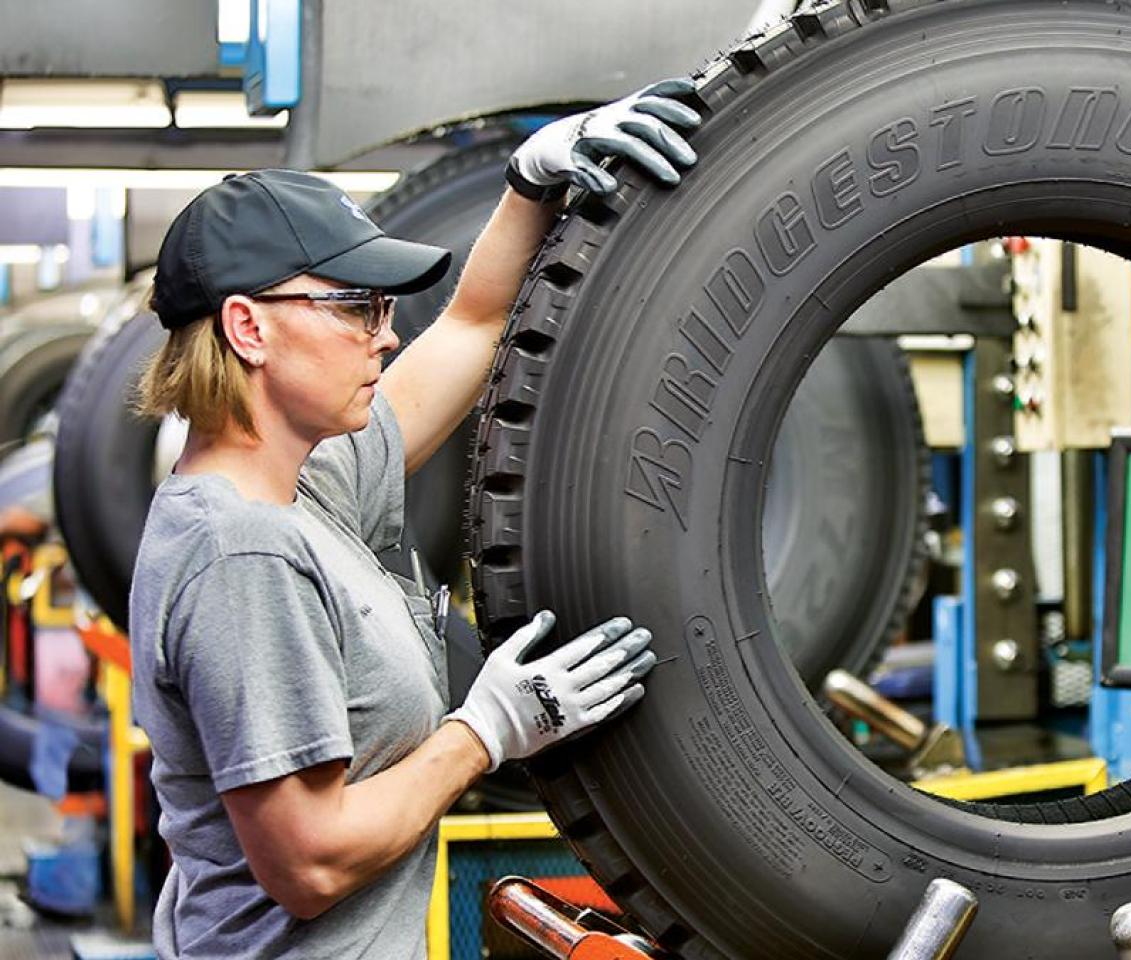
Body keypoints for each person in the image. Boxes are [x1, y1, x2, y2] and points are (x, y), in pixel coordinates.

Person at [125, 79, 703, 959]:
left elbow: (470, 325)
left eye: (384, 310)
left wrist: (529, 183)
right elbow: (308, 864)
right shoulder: (243, 556)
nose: (385, 336)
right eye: (356, 307)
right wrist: (487, 731)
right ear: (247, 327)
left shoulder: (306, 488)